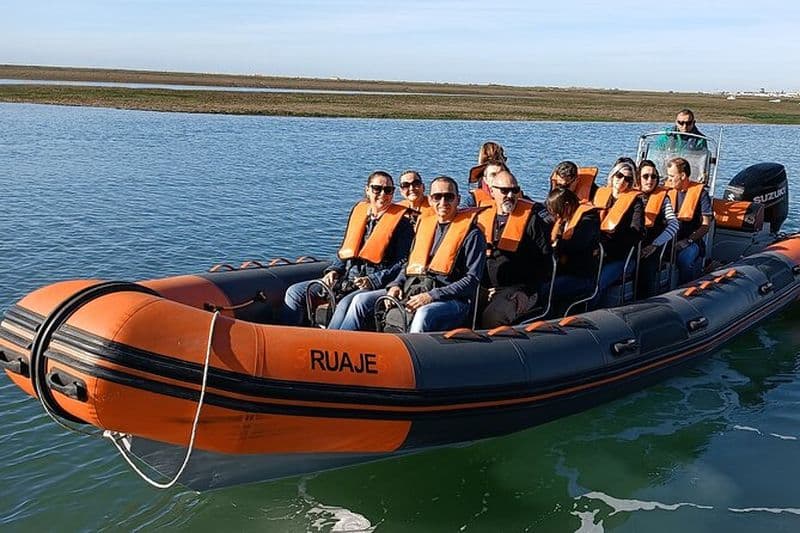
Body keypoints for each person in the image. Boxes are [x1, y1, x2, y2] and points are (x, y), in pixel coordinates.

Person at [281, 171, 413, 328]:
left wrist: (373, 280)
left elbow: (402, 262)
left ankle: (329, 344)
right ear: (368, 190)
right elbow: (345, 250)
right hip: (346, 279)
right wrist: (333, 270)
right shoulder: (360, 215)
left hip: (373, 283)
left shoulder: (403, 225)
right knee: (295, 292)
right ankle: (289, 337)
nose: (382, 194)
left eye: (388, 190)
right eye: (377, 189)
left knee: (345, 304)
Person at [383, 176, 487, 333]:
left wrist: (433, 296)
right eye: (437, 197)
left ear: (458, 200)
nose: (443, 202)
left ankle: (412, 351)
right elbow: (410, 264)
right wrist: (396, 284)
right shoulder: (424, 226)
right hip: (416, 288)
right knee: (362, 300)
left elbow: (472, 279)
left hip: (453, 301)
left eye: (449, 197)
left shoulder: (473, 234)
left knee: (424, 313)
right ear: (430, 200)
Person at [476, 169, 552, 327]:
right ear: (492, 190)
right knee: (459, 308)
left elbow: (545, 265)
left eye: (514, 190)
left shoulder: (533, 220)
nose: (510, 195)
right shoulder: (481, 216)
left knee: (493, 316)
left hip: (518, 288)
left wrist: (526, 291)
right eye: (504, 191)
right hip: (484, 286)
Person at [592, 162, 645, 303]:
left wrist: (614, 234)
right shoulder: (599, 195)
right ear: (612, 176)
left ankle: (591, 314)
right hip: (594, 252)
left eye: (627, 179)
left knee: (598, 283)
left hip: (619, 256)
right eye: (619, 176)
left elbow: (636, 232)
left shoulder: (636, 203)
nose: (622, 181)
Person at [547, 187, 601, 304]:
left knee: (544, 290)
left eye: (558, 211)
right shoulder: (564, 219)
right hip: (562, 270)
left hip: (581, 275)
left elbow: (578, 244)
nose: (557, 216)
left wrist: (557, 244)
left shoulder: (589, 219)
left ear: (567, 205)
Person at [665, 157, 713, 284]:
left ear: (682, 176)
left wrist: (688, 241)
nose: (668, 179)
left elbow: (706, 225)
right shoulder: (666, 191)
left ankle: (685, 289)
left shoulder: (701, 194)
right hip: (667, 239)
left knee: (685, 258)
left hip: (691, 241)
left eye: (671, 176)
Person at [637, 160, 680, 297]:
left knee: (646, 268)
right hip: (630, 243)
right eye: (645, 176)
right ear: (638, 178)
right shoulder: (629, 195)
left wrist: (654, 245)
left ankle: (644, 303)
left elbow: (674, 224)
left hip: (652, 245)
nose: (650, 180)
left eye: (653, 177)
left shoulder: (663, 199)